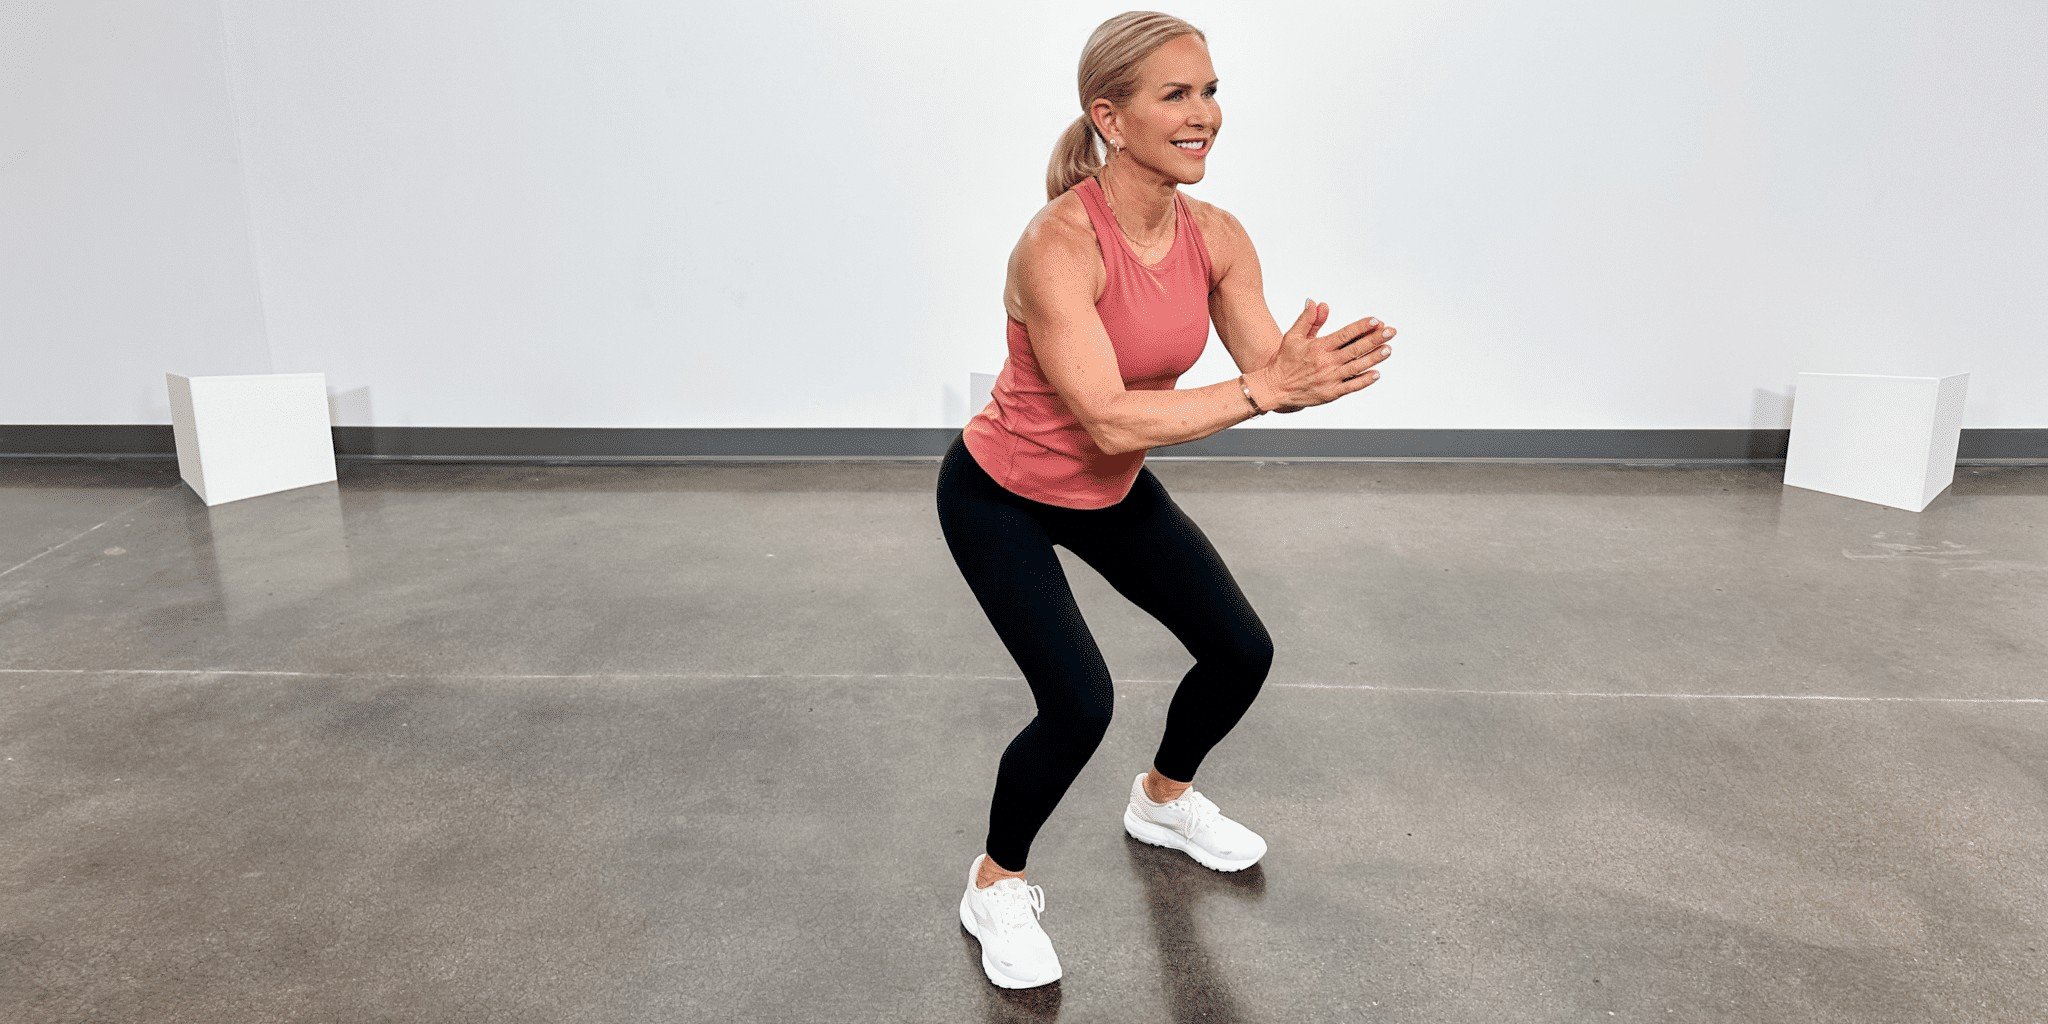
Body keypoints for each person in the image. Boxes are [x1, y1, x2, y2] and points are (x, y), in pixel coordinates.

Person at [935, 12, 1398, 990]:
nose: (1205, 116)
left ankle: (1159, 796)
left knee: (1240, 651)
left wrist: (1299, 371)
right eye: (1175, 96)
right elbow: (1106, 417)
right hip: (1000, 496)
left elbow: (1261, 366)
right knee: (1076, 700)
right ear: (1108, 116)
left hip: (1108, 493)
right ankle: (994, 880)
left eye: (1210, 90)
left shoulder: (1215, 237)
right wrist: (1267, 389)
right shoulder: (1057, 245)